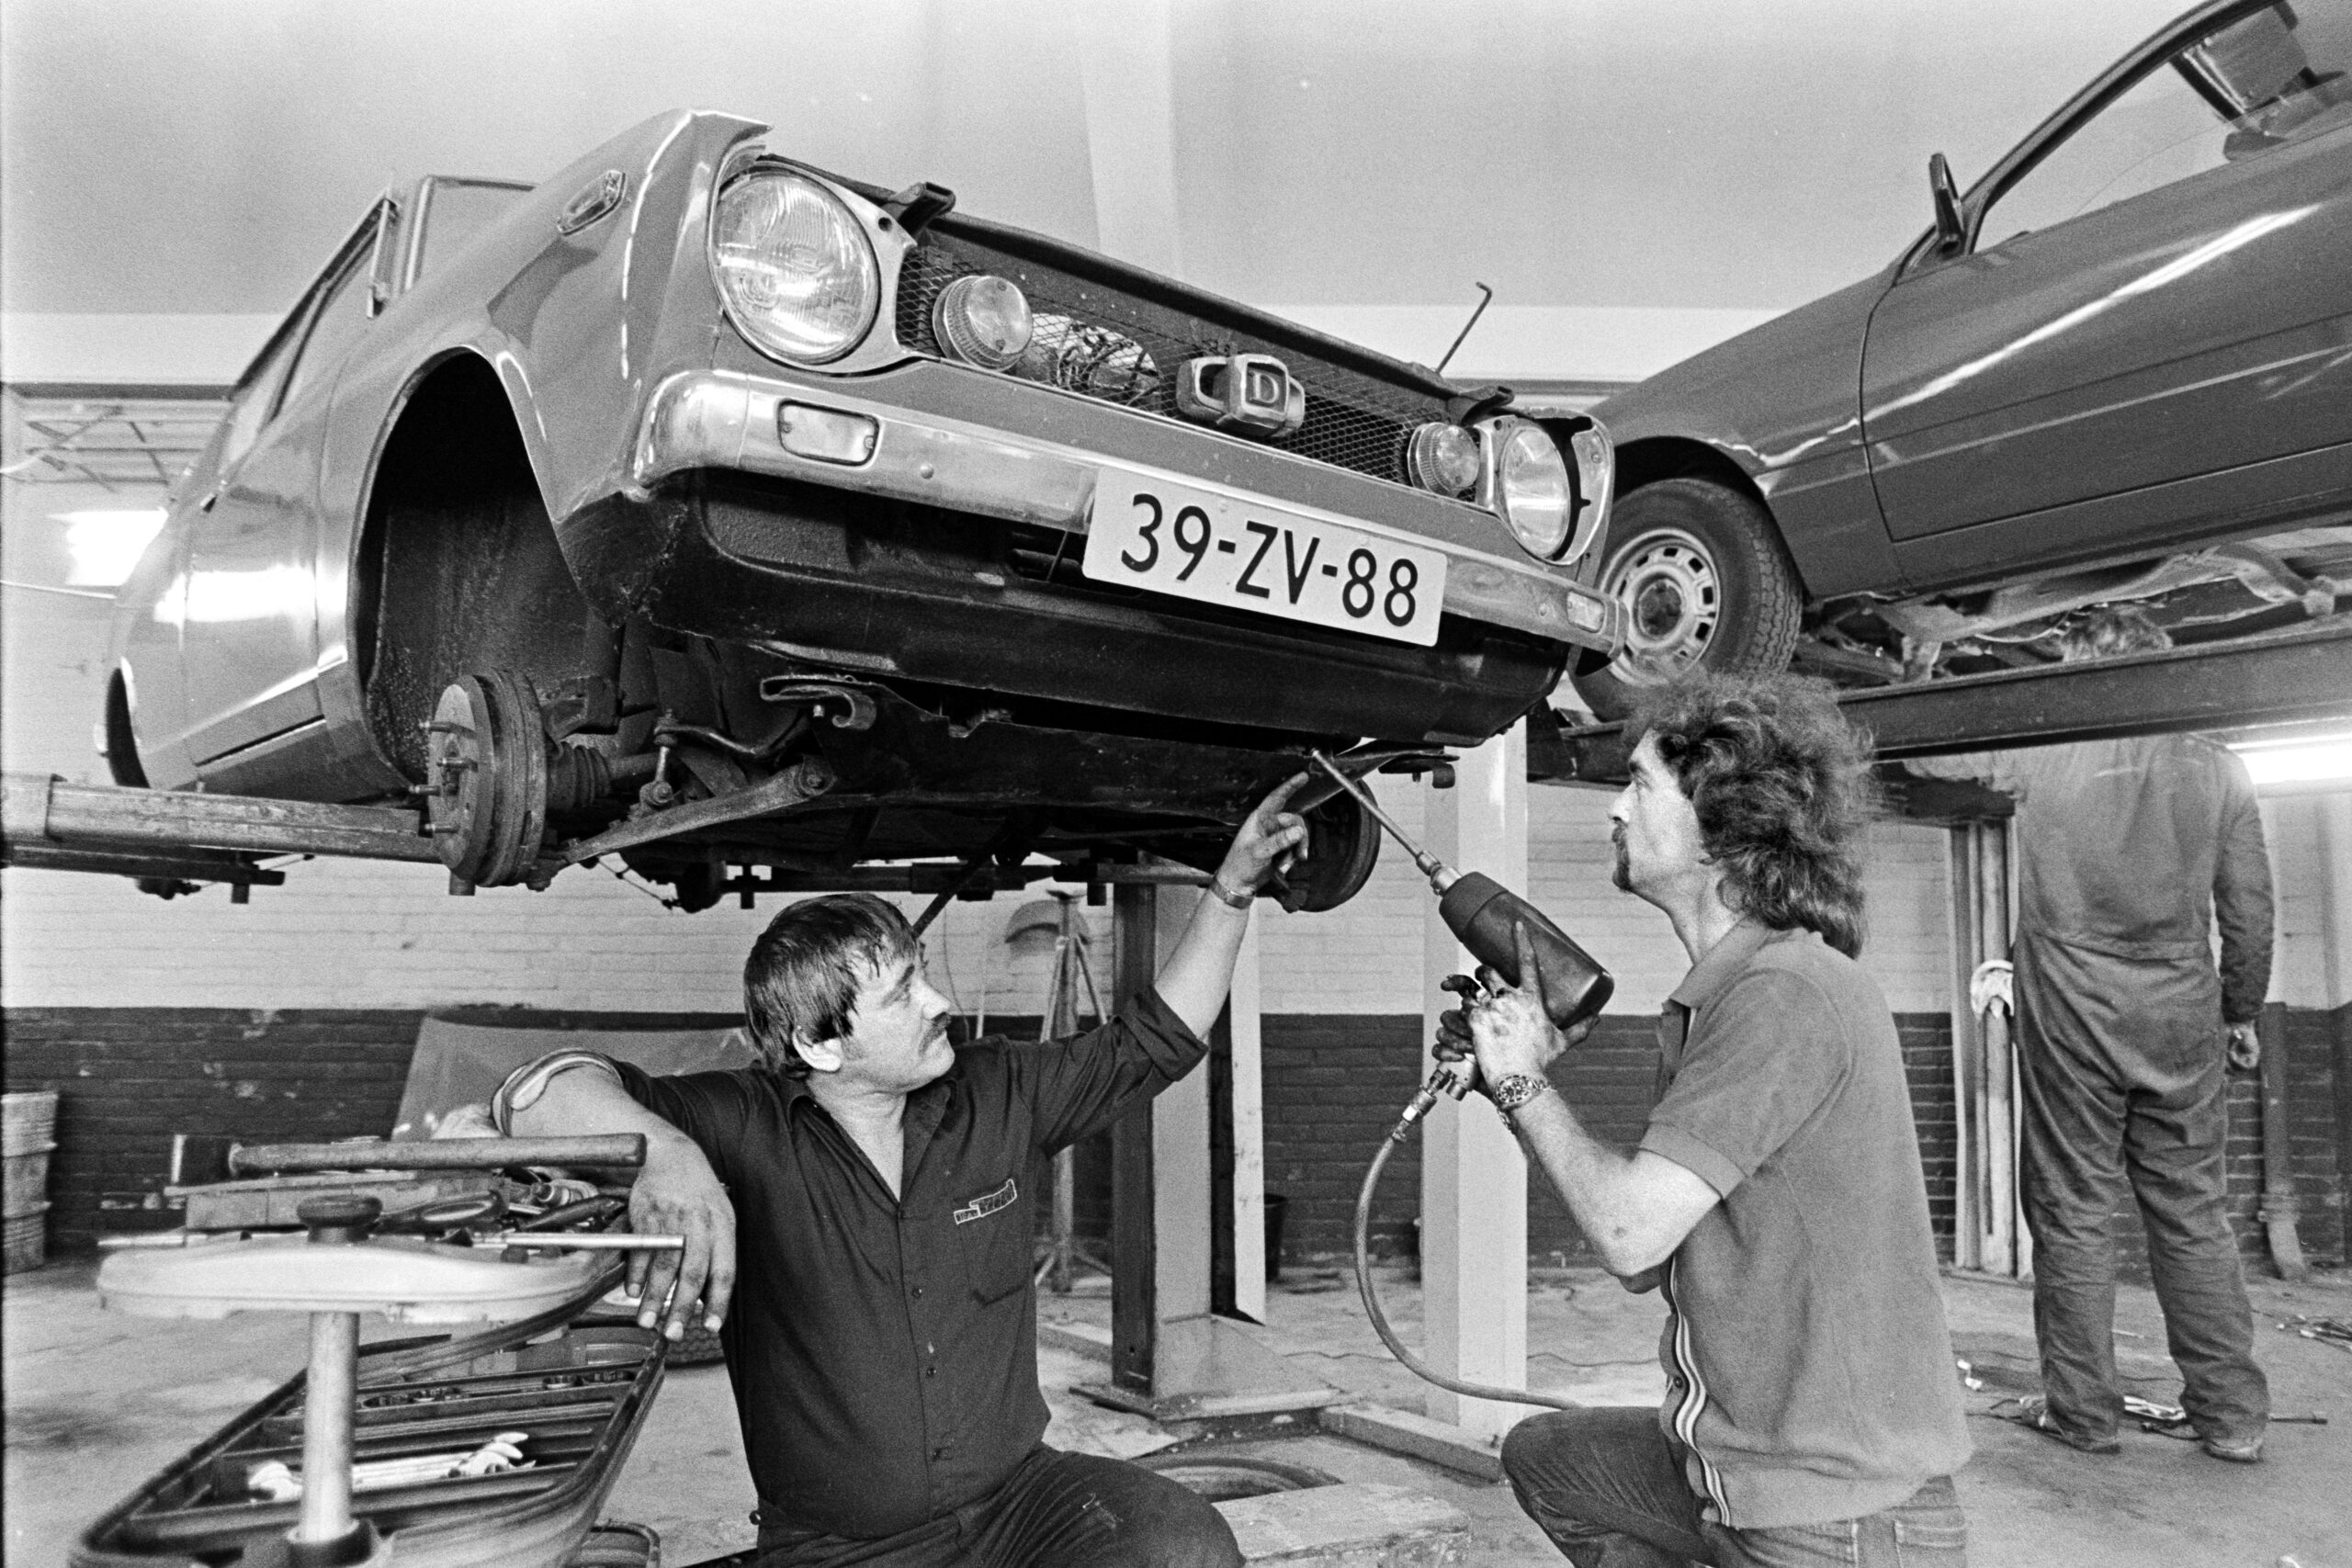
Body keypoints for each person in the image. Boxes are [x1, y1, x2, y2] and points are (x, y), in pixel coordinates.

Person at [495, 778, 1313, 1568]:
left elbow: (1154, 1040)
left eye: (921, 973)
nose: (939, 1002)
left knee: (1184, 1542)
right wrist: (668, 1155)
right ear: (820, 1045)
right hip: (838, 1546)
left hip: (1017, 1503)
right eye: (903, 994)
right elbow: (532, 1094)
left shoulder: (998, 1091)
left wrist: (1231, 892)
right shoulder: (741, 1124)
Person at [1442, 673, 1970, 1568]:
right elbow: (1651, 1258)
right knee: (1550, 1459)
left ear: (1719, 828)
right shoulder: (1721, 1000)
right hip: (1730, 1467)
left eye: (1640, 784)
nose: (1614, 808)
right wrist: (1512, 1090)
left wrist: (1528, 1084)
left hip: (1830, 1511)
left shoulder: (1784, 993)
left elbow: (1623, 1229)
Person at [1907, 605, 2273, 1463]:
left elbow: (1922, 748)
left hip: (2073, 1003)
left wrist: (1921, 670)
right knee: (2193, 1214)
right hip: (2183, 1008)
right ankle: (2232, 1418)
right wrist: (2243, 1011)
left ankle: (2084, 1414)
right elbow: (2249, 911)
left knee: (2072, 1212)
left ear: (2082, 668)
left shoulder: (2049, 743)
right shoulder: (2221, 767)